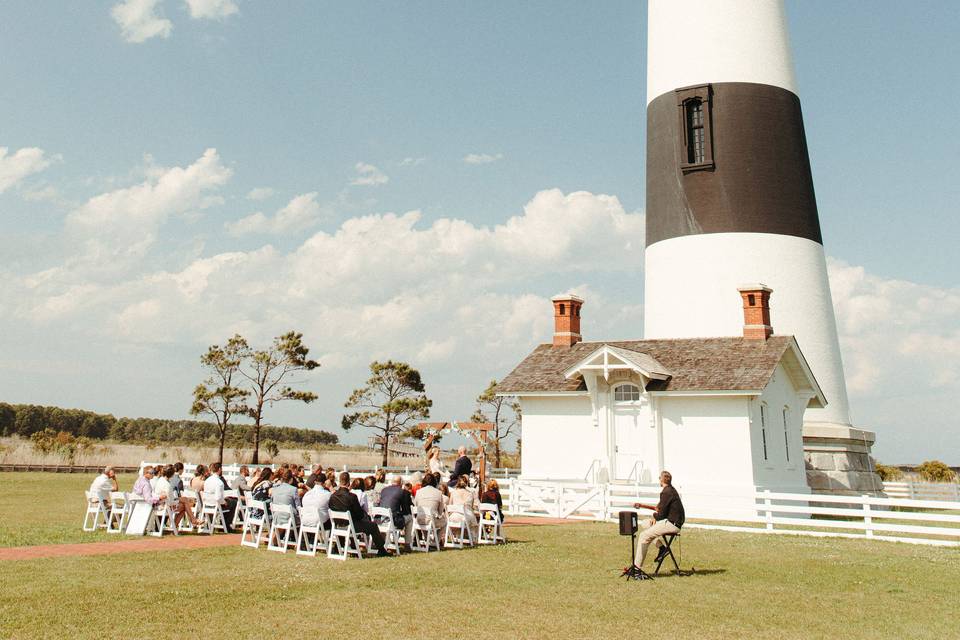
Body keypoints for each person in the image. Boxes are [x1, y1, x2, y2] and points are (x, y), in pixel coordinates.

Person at [632, 471, 685, 570]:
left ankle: (637, 568)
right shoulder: (670, 490)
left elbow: (660, 514)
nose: (658, 479)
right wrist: (643, 506)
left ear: (662, 479)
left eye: (659, 477)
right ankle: (662, 548)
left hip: (672, 524)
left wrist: (655, 518)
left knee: (643, 536)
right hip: (672, 522)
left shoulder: (666, 492)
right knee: (645, 523)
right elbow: (659, 508)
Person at [328, 472, 389, 556]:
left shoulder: (333, 496)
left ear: (339, 481)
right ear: (349, 482)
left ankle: (339, 546)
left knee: (352, 522)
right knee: (373, 526)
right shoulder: (352, 497)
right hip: (351, 526)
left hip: (337, 525)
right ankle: (382, 550)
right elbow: (360, 515)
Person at [378, 473, 414, 548]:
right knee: (410, 518)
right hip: (392, 521)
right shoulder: (403, 492)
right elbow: (406, 510)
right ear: (401, 483)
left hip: (380, 520)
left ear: (392, 482)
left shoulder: (384, 490)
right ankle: (407, 544)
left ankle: (384, 541)